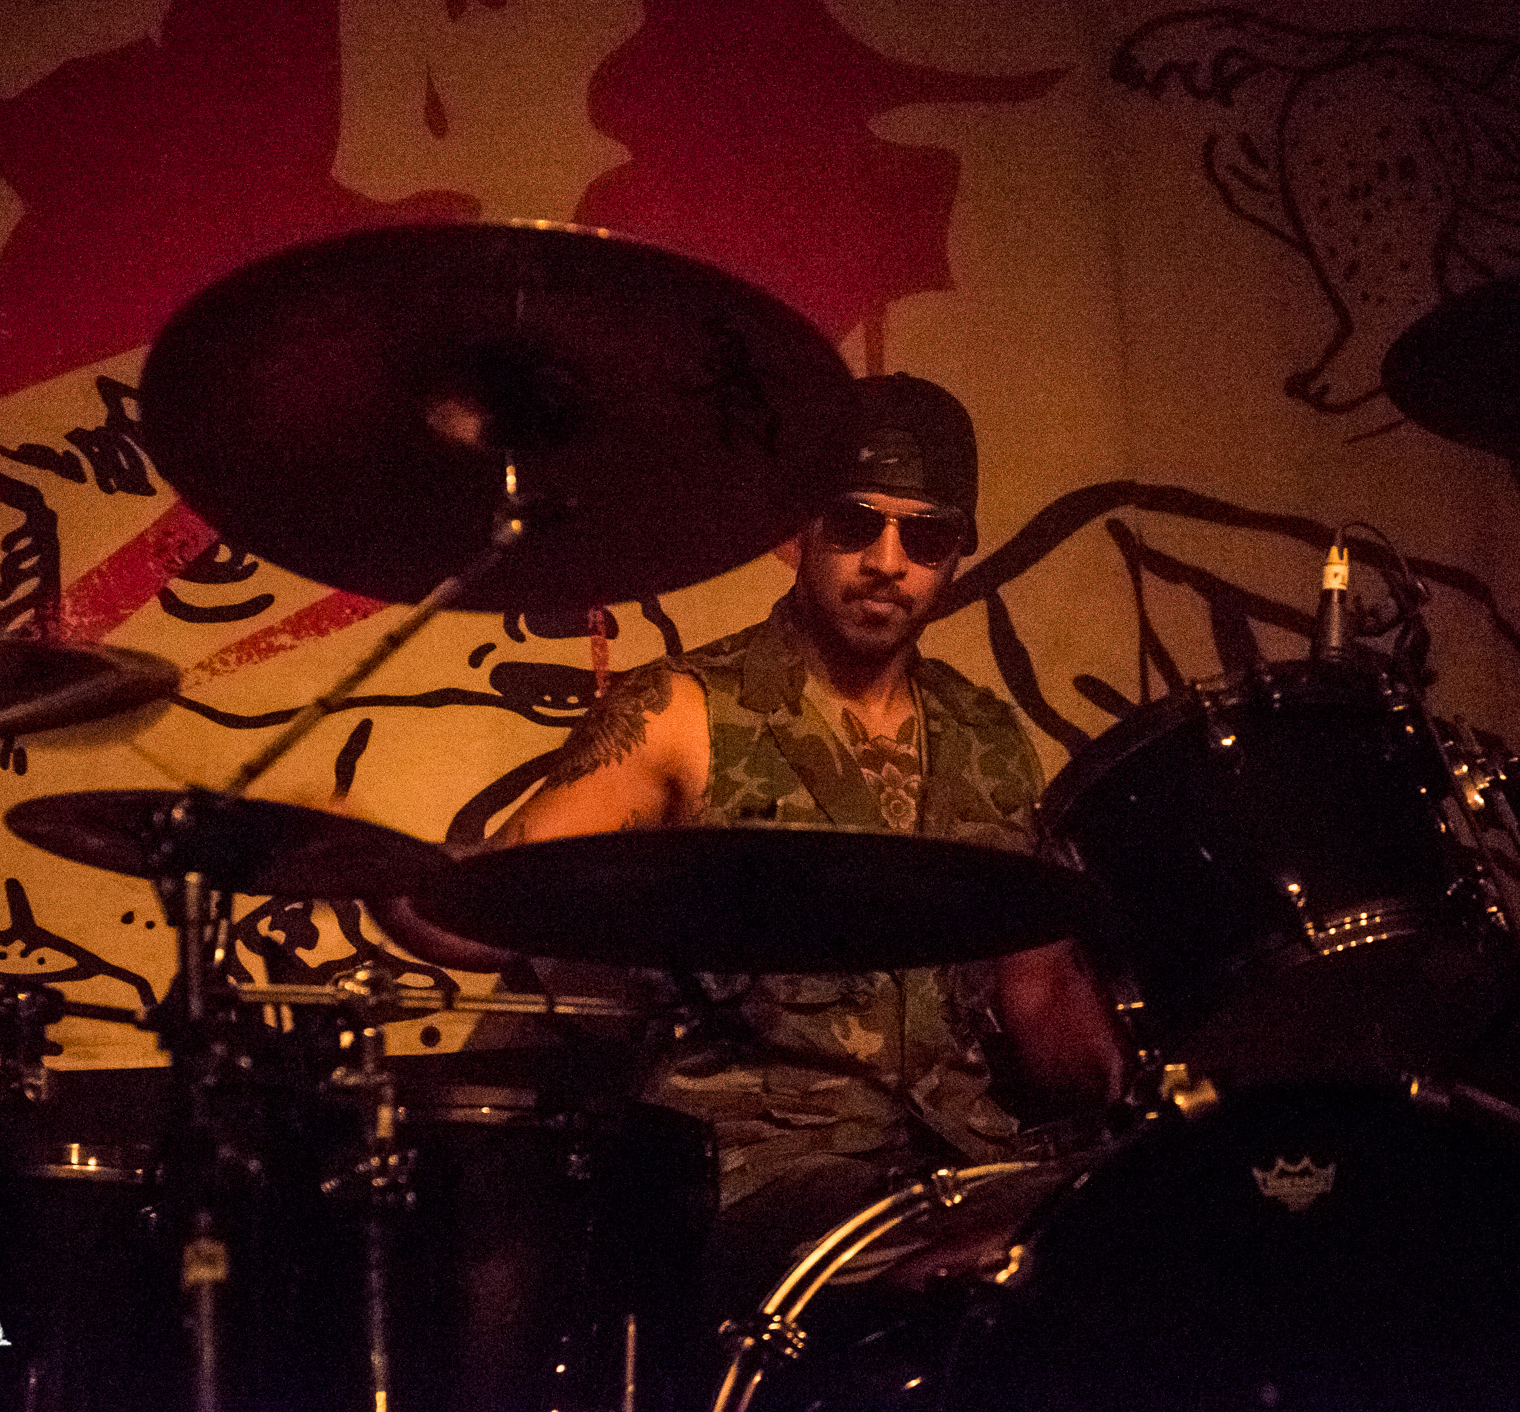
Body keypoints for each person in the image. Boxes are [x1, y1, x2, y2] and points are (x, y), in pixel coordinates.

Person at [384, 371, 1126, 1314]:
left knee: (1142, 1233)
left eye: (926, 536)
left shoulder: (987, 734)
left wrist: (1144, 1105)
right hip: (754, 1173)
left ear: (956, 555)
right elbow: (490, 910)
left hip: (963, 1160)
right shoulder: (682, 712)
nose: (888, 560)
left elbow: (1040, 990)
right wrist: (367, 867)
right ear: (797, 532)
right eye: (856, 523)